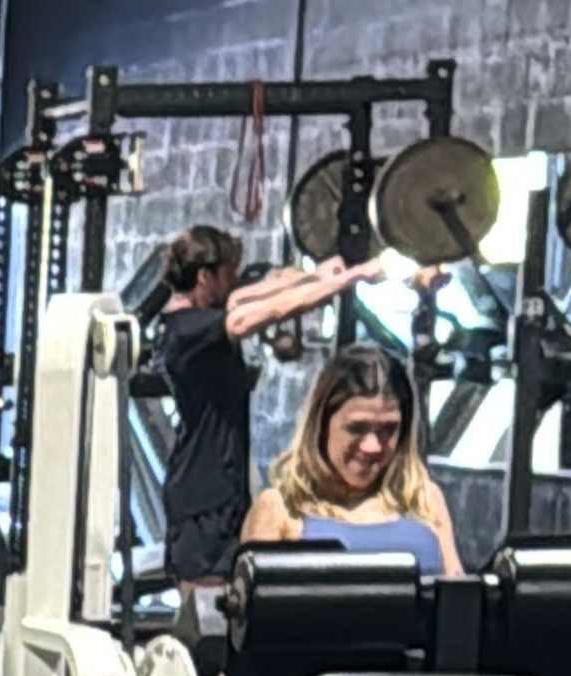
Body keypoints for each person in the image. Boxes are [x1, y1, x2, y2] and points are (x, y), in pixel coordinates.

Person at [139, 218, 335, 585]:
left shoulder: (203, 317)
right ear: (204, 278)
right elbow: (265, 312)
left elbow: (261, 293)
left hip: (222, 489)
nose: (234, 281)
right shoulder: (187, 330)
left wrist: (323, 274)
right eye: (228, 274)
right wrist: (348, 281)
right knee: (209, 610)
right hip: (202, 499)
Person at [239, 341, 461, 578]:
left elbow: (459, 599)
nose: (372, 446)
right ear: (322, 425)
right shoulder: (280, 509)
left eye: (388, 429)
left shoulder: (424, 500)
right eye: (356, 428)